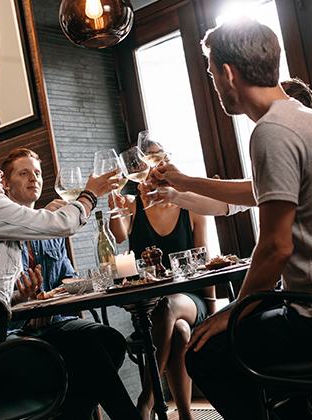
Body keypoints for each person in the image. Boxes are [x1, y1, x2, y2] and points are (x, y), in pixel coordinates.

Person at [150, 19, 312, 420]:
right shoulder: (308, 119)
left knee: (203, 352)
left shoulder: (271, 132)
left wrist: (235, 312)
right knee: (241, 332)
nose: (214, 85)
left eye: (212, 74)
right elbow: (257, 192)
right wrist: (183, 181)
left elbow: (276, 247)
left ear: (228, 74)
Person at [0, 137, 143, 420]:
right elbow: (63, 223)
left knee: (94, 347)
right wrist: (89, 194)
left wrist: (13, 297)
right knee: (86, 355)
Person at [1, 148, 135, 419]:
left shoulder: (54, 230)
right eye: (24, 173)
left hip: (57, 322)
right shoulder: (0, 229)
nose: (33, 178)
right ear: (5, 183)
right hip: (15, 330)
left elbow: (70, 281)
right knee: (88, 347)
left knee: (111, 340)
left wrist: (108, 277)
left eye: (37, 173)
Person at [109, 140, 216, 420]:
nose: (156, 165)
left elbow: (204, 262)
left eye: (160, 157)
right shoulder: (132, 204)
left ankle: (146, 400)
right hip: (149, 308)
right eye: (148, 160)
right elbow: (118, 236)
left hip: (191, 301)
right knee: (179, 332)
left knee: (169, 307)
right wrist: (115, 207)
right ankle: (186, 415)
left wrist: (213, 312)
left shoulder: (189, 203)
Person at [146, 77, 312, 218]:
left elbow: (255, 192)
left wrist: (184, 181)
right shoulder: (279, 165)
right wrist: (174, 196)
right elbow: (227, 203)